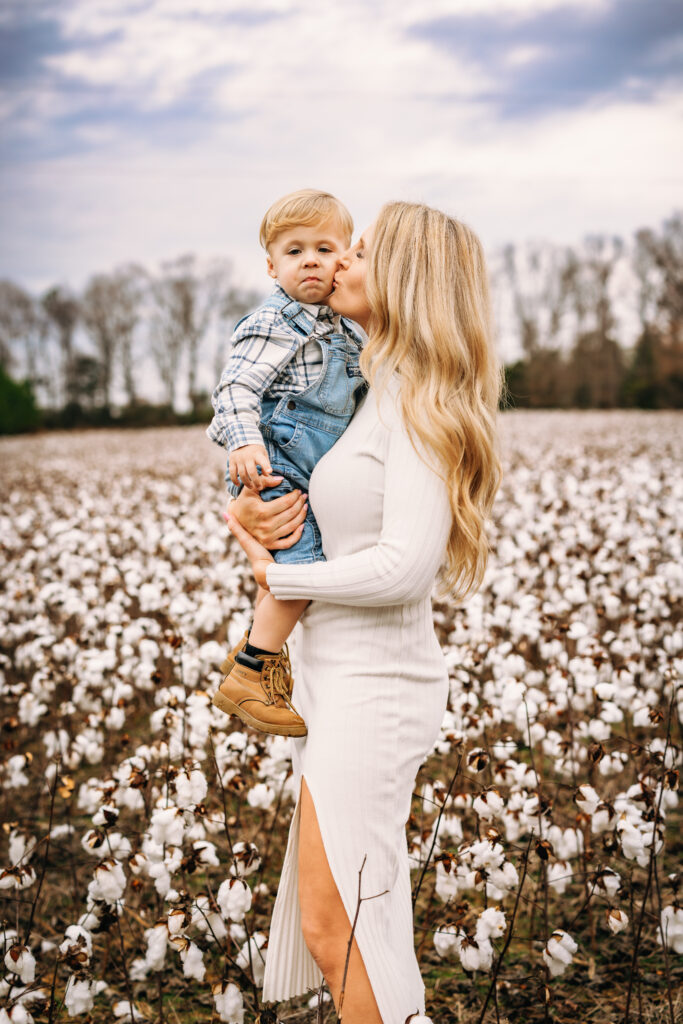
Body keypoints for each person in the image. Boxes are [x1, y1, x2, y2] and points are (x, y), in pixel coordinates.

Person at [222, 202, 504, 1024]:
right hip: (331, 680)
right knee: (341, 926)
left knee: (340, 926)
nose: (339, 262)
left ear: (407, 279)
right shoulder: (366, 389)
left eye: (362, 252)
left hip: (375, 691)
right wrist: (253, 517)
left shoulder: (420, 404)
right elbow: (325, 519)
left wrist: (274, 579)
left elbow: (402, 568)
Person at [207, 189, 367, 737]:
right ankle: (252, 670)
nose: (312, 261)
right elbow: (235, 388)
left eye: (325, 248)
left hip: (306, 469)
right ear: (272, 267)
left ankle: (256, 659)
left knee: (293, 569)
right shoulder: (276, 321)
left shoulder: (348, 331)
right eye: (294, 251)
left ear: (345, 258)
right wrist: (244, 444)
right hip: (276, 465)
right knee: (297, 570)